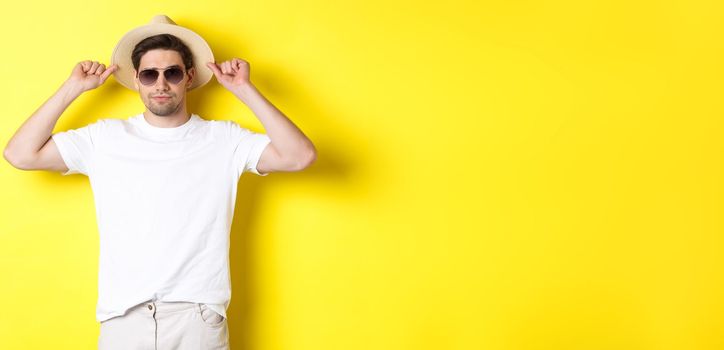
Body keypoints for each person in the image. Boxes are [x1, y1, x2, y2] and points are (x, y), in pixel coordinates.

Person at [3, 15, 316, 349]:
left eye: (173, 73)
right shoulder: (104, 139)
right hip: (124, 318)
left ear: (189, 77)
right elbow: (20, 154)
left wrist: (244, 90)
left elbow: (299, 156)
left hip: (197, 317)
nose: (161, 84)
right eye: (150, 74)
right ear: (137, 80)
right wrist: (73, 88)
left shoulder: (224, 139)